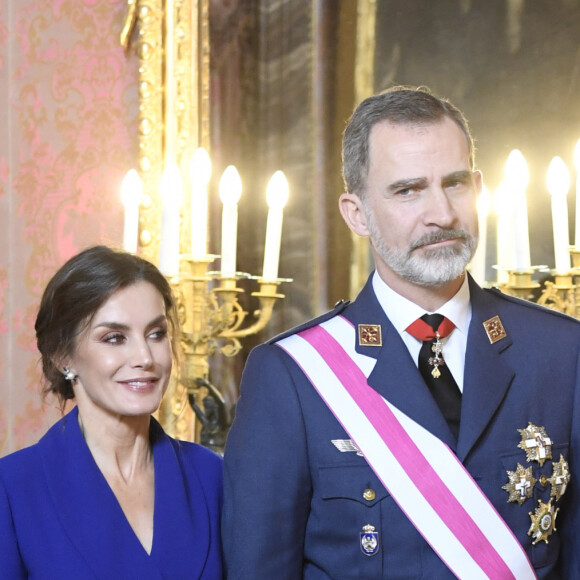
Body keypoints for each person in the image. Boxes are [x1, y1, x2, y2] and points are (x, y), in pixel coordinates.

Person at [222, 86, 580, 578]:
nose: (442, 214)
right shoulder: (293, 376)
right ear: (357, 213)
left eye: (455, 183)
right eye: (408, 190)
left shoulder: (561, 351)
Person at [0, 245, 223, 579]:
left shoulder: (212, 476)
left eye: (156, 334)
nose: (145, 357)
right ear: (64, 357)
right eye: (115, 338)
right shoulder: (13, 488)